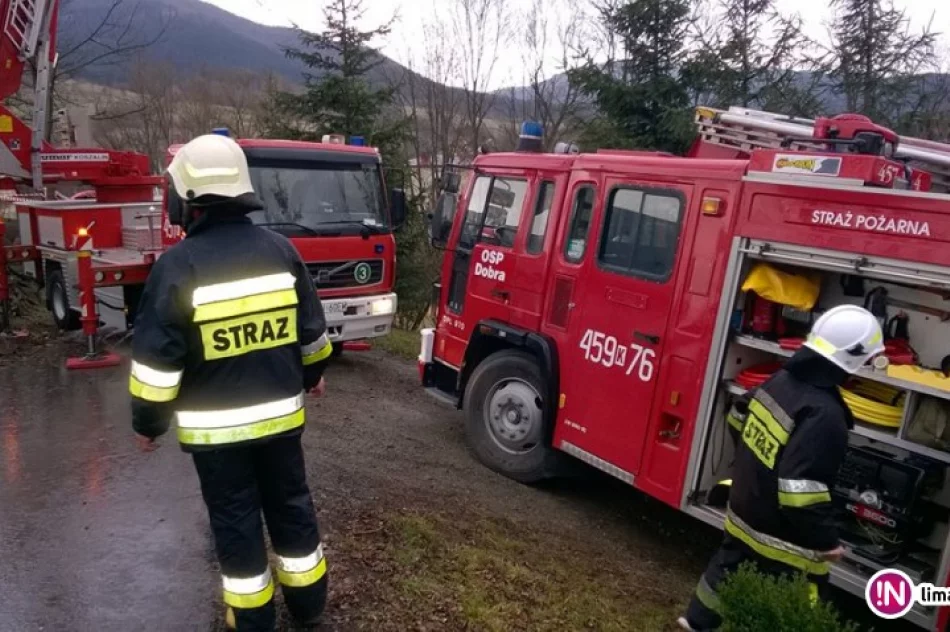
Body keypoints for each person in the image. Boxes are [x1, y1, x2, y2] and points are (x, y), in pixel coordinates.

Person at [128, 133, 334, 631]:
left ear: (189, 198)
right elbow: (313, 337)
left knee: (236, 521)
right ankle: (308, 605)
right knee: (291, 504)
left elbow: (158, 367)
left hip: (217, 438)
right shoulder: (281, 251)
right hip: (282, 421)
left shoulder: (176, 268)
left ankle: (253, 619)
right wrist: (313, 376)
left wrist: (148, 425)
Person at [679, 304, 885, 631]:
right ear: (854, 359)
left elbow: (738, 417)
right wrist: (826, 541)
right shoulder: (826, 416)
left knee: (726, 571)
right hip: (784, 540)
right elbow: (800, 493)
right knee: (800, 610)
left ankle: (696, 623)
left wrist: (759, 465)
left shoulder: (782, 380)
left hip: (745, 509)